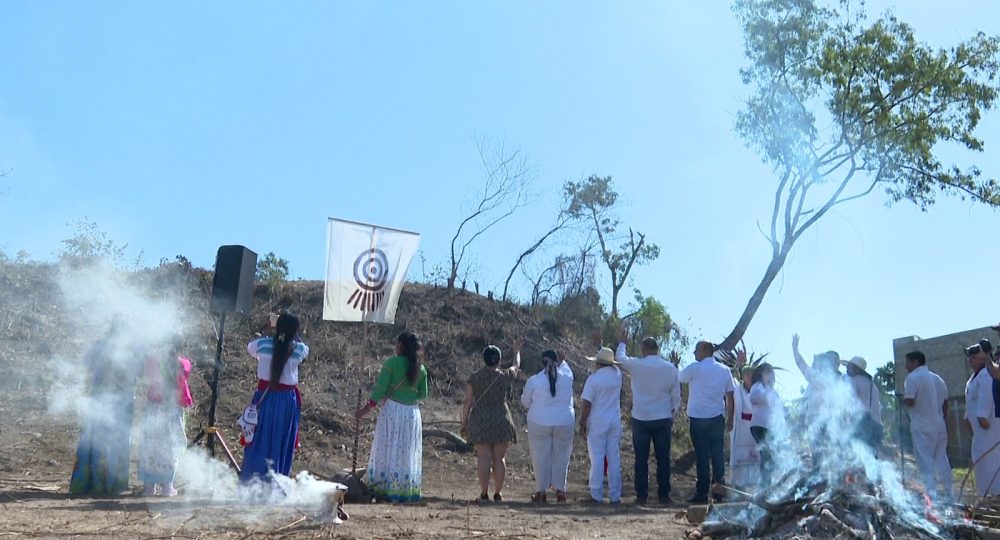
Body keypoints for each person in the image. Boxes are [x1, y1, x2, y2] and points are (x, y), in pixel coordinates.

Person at [356, 331, 429, 503]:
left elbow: (379, 390)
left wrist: (364, 410)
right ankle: (403, 490)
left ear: (401, 346)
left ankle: (384, 488)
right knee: (405, 451)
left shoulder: (392, 363)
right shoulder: (421, 368)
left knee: (388, 446)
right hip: (412, 414)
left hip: (393, 411)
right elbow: (423, 394)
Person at [70, 322, 140, 496]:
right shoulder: (132, 349)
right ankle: (112, 485)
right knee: (116, 442)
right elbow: (141, 372)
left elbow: (87, 365)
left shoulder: (100, 345)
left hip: (99, 399)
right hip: (121, 401)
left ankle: (88, 483)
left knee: (95, 440)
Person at [240, 313, 309, 483]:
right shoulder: (298, 349)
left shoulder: (262, 345)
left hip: (265, 398)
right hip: (287, 401)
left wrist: (271, 327)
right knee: (281, 441)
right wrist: (287, 330)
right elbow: (303, 347)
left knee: (259, 439)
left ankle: (253, 481)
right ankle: (277, 481)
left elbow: (251, 347)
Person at [615, 329, 680, 505]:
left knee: (641, 458)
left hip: (641, 416)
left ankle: (641, 494)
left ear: (643, 349)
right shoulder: (670, 368)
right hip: (662, 416)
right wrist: (673, 412)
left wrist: (622, 343)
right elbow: (676, 395)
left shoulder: (637, 365)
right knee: (663, 458)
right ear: (658, 349)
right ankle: (664, 495)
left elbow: (620, 359)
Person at [461, 341, 521, 502]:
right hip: (501, 418)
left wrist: (464, 422)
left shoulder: (475, 378)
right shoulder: (505, 375)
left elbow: (467, 401)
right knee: (499, 458)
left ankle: (483, 493)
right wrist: (516, 351)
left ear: (484, 359)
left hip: (480, 419)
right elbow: (516, 366)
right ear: (499, 360)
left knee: (484, 458)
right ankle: (498, 493)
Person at [678, 341, 735, 504]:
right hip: (717, 418)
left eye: (696, 349)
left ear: (705, 350)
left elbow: (680, 377)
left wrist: (675, 364)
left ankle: (702, 493)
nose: (695, 353)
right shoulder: (724, 370)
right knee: (717, 456)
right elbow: (730, 396)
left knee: (702, 456)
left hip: (698, 418)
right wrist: (730, 418)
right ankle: (718, 493)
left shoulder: (695, 368)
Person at [139, 340, 194, 496]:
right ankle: (167, 486)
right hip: (172, 409)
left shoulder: (152, 361)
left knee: (151, 446)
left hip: (154, 408)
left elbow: (147, 375)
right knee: (170, 448)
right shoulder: (184, 364)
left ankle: (149, 487)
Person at [520, 350, 574, 504]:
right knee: (562, 457)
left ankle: (541, 492)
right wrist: (563, 360)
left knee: (540, 456)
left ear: (541, 362)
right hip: (564, 421)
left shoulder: (534, 380)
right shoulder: (568, 376)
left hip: (539, 421)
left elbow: (525, 402)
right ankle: (560, 491)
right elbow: (565, 368)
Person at [903, 350, 953, 501]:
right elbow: (945, 404)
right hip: (939, 425)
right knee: (941, 459)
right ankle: (949, 493)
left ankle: (932, 495)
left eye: (907, 362)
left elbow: (910, 400)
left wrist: (902, 399)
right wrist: (943, 420)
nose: (906, 366)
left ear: (915, 362)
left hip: (922, 426)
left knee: (925, 461)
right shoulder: (938, 379)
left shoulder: (912, 378)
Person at [579, 347, 624, 504]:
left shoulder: (594, 379)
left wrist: (582, 422)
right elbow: (616, 367)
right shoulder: (617, 375)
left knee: (597, 457)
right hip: (614, 420)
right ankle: (615, 495)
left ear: (598, 363)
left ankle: (596, 493)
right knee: (613, 458)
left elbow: (587, 403)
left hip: (598, 421)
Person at [965, 342, 1000, 497]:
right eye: (969, 358)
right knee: (980, 461)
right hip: (978, 430)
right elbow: (971, 401)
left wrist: (983, 416)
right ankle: (985, 497)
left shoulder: (986, 374)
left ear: (982, 359)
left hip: (987, 425)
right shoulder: (974, 377)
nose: (970, 360)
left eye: (973, 357)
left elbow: (987, 396)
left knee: (990, 462)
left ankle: (995, 497)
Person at [749, 362, 783, 487]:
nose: (772, 375)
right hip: (760, 426)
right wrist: (767, 391)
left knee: (769, 457)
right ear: (762, 374)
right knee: (767, 455)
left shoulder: (770, 389)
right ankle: (765, 487)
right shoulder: (758, 386)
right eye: (769, 372)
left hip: (769, 428)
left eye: (772, 372)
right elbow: (754, 398)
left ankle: (767, 485)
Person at [842, 356, 883, 454]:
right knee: (872, 457)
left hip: (863, 424)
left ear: (855, 368)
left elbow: (849, 404)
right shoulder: (872, 385)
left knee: (860, 457)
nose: (847, 368)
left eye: (849, 366)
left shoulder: (855, 381)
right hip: (877, 425)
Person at [731, 353, 760, 489]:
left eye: (751, 375)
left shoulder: (758, 390)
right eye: (746, 375)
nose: (749, 377)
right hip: (741, 425)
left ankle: (753, 487)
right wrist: (738, 364)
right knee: (740, 455)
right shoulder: (738, 388)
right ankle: (738, 486)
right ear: (743, 376)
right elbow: (729, 379)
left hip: (754, 426)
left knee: (754, 456)